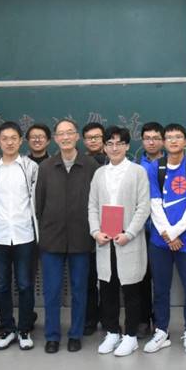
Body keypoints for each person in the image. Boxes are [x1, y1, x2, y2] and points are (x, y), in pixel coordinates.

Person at [143, 123, 186, 355]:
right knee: (160, 289)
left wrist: (175, 232)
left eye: (178, 137)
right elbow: (153, 203)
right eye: (169, 137)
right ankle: (161, 331)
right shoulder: (155, 168)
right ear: (163, 141)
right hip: (160, 241)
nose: (173, 140)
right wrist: (168, 234)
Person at [37, 119, 100, 353]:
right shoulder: (46, 167)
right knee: (52, 291)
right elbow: (38, 204)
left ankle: (75, 334)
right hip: (51, 239)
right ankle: (52, 336)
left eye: (69, 133)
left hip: (81, 237)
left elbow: (97, 201)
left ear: (76, 137)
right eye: (60, 134)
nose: (65, 137)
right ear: (55, 139)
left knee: (79, 290)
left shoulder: (91, 165)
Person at [88, 126, 151, 357]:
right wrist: (96, 231)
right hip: (105, 241)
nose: (114, 148)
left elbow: (143, 207)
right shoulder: (99, 174)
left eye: (119, 143)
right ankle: (112, 332)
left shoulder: (137, 172)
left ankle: (131, 336)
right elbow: (92, 206)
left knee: (132, 290)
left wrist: (130, 233)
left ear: (127, 146)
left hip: (128, 240)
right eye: (110, 143)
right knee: (108, 289)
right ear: (104, 147)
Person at [0, 121, 40, 351]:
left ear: (21, 140)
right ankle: (7, 329)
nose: (9, 142)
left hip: (25, 234)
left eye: (14, 138)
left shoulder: (30, 166)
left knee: (25, 284)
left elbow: (34, 196)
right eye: (5, 138)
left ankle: (24, 329)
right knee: (1, 285)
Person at [135, 121, 165, 337]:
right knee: (142, 278)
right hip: (141, 231)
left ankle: (161, 321)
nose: (151, 142)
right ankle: (143, 320)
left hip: (164, 231)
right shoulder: (135, 166)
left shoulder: (172, 164)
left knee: (161, 280)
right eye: (147, 138)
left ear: (162, 140)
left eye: (155, 138)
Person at [81, 121, 106, 335]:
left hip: (111, 225)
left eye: (97, 137)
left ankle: (108, 319)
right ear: (83, 141)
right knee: (88, 278)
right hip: (86, 227)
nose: (93, 141)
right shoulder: (79, 162)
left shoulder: (114, 159)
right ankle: (90, 318)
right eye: (89, 138)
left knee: (108, 277)